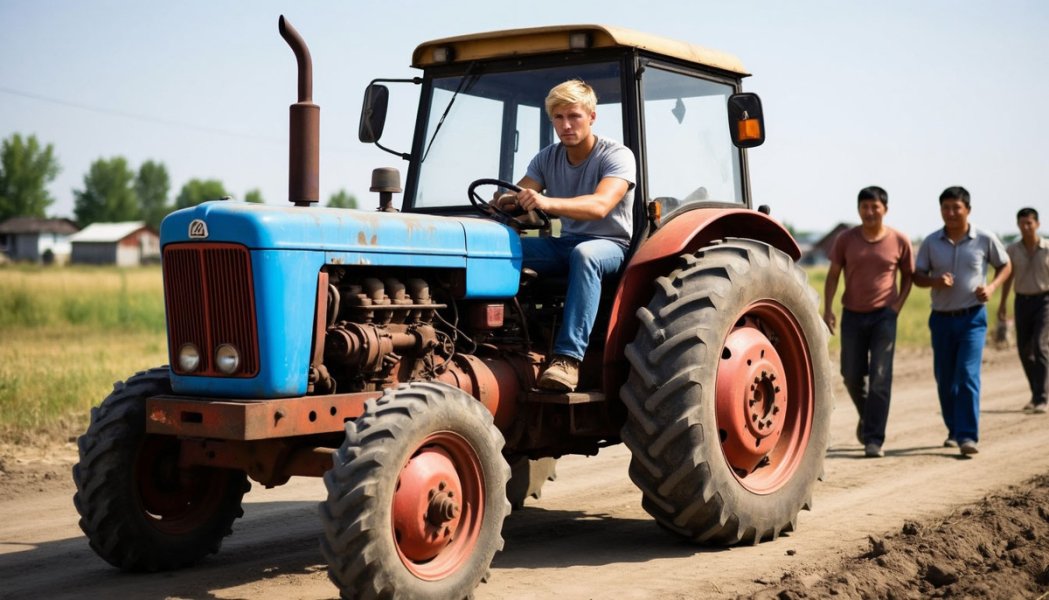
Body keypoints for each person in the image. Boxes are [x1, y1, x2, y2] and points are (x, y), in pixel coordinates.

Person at [497, 79, 636, 391]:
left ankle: (567, 360)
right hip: (566, 244)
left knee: (585, 256)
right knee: (501, 251)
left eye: (574, 116)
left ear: (591, 117)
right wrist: (507, 201)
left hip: (610, 245)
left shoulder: (616, 155)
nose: (566, 125)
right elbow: (518, 193)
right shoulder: (547, 157)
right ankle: (497, 337)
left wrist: (546, 202)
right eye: (558, 118)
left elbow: (601, 205)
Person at [913, 186, 1011, 456]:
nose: (951, 213)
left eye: (956, 207)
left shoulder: (984, 238)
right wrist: (934, 281)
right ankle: (954, 431)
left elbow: (1005, 265)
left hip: (972, 318)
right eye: (946, 208)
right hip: (942, 319)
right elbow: (917, 275)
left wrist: (991, 288)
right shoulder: (932, 242)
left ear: (968, 209)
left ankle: (968, 436)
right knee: (945, 379)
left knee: (967, 375)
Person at [823, 186, 914, 458]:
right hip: (852, 314)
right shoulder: (845, 239)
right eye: (865, 206)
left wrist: (897, 306)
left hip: (885, 316)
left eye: (875, 207)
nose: (870, 212)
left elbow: (909, 275)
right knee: (850, 375)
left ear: (885, 209)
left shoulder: (899, 239)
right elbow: (833, 275)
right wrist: (827, 309)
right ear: (858, 209)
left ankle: (873, 439)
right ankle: (868, 416)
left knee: (880, 377)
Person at [997, 207, 1049, 414]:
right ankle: (1036, 393)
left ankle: (1043, 398)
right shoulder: (1012, 250)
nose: (1026, 227)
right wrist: (1002, 304)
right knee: (1024, 349)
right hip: (1022, 301)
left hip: (1045, 301)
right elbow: (1007, 278)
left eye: (1030, 223)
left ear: (1037, 224)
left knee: (1040, 345)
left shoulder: (1047, 248)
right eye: (1022, 223)